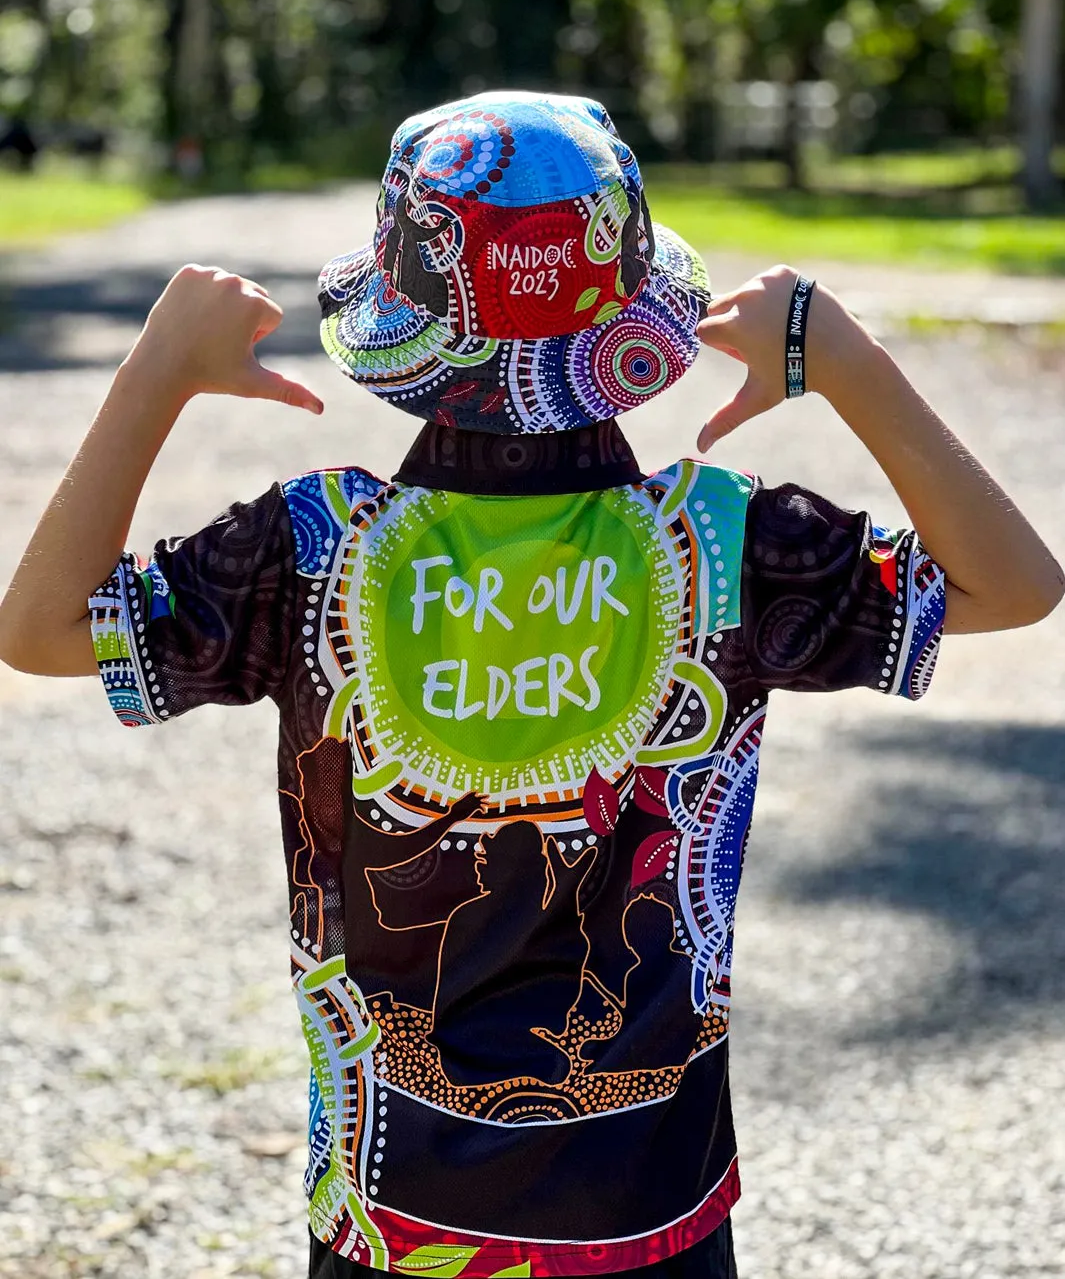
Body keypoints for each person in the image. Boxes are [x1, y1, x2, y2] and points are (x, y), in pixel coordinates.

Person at [0, 92, 1060, 1279]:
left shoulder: (309, 552)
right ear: (637, 313)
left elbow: (40, 630)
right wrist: (844, 361)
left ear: (404, 319)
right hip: (653, 1207)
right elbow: (1016, 584)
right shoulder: (725, 546)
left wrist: (156, 373)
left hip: (392, 1215)